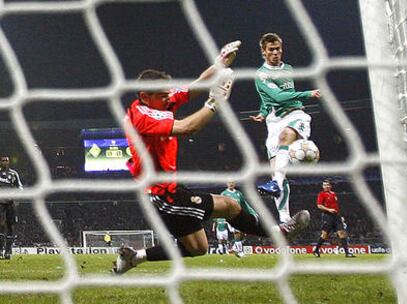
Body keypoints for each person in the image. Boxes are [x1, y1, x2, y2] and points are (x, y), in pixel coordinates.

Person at [112, 42, 311, 275]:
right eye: (163, 96)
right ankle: (279, 233)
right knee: (229, 205)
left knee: (198, 248)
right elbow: (188, 127)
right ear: (145, 96)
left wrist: (219, 63)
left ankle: (135, 258)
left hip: (165, 189)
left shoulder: (158, 101)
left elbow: (193, 87)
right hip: (163, 195)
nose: (169, 98)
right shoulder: (141, 116)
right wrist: (215, 103)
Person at [250, 33, 322, 223]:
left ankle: (276, 184)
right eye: (271, 50)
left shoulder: (288, 68)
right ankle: (284, 220)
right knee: (276, 170)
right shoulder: (261, 75)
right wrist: (264, 113)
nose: (275, 53)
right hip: (274, 123)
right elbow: (276, 97)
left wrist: (264, 111)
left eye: (278, 49)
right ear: (263, 52)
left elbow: (284, 96)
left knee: (286, 136)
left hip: (296, 115)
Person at [312, 179, 355, 258]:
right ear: (322, 186)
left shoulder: (334, 194)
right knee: (324, 235)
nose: (326, 186)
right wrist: (329, 209)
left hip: (336, 216)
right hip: (327, 216)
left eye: (327, 185)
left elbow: (336, 206)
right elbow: (319, 205)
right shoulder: (321, 194)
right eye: (324, 185)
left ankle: (347, 253)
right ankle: (316, 250)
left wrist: (339, 215)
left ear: (330, 186)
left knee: (342, 233)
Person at [221, 181, 258, 258]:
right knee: (237, 232)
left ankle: (234, 248)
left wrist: (253, 213)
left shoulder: (238, 194)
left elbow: (245, 205)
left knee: (242, 233)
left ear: (235, 184)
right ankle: (240, 251)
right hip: (230, 216)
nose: (231, 184)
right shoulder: (224, 194)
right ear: (226, 184)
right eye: (229, 182)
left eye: (232, 182)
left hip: (239, 215)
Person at [0, 156, 23, 260]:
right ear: (1, 162)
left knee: (10, 226)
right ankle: (0, 250)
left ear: (9, 162)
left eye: (6, 160)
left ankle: (8, 251)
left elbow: (20, 187)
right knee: (1, 225)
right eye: (3, 160)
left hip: (10, 202)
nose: (5, 162)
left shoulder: (14, 174)